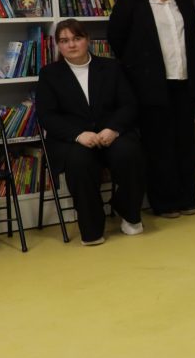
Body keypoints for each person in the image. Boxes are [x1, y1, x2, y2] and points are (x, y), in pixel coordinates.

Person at [108, 0, 195, 218]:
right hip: (149, 87)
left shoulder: (183, 0)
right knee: (158, 146)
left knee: (185, 143)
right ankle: (165, 203)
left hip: (183, 81)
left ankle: (187, 199)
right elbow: (117, 40)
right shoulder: (129, 3)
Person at [36, 19, 145, 246]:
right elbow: (47, 116)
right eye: (64, 41)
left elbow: (129, 104)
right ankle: (92, 228)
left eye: (77, 38)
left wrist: (113, 129)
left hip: (111, 134)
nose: (72, 45)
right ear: (58, 45)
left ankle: (128, 211)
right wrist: (78, 135)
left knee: (129, 152)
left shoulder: (112, 67)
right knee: (79, 161)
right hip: (72, 141)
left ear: (87, 40)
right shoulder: (49, 74)